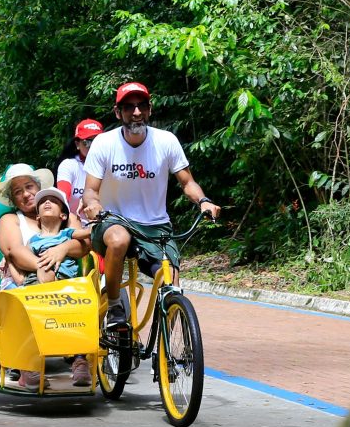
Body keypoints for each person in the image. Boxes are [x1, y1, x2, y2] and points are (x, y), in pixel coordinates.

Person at [81, 81, 221, 331]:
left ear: (149, 109)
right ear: (118, 112)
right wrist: (93, 206)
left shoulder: (166, 141)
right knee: (119, 239)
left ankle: (164, 353)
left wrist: (203, 201)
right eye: (129, 107)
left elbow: (187, 182)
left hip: (156, 227)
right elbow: (90, 191)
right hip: (113, 220)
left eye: (141, 106)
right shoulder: (104, 143)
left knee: (171, 284)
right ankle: (114, 306)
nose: (136, 112)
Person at [0, 165, 90, 388]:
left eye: (29, 187)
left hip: (64, 275)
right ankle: (28, 364)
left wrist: (62, 250)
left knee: (83, 296)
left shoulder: (61, 213)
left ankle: (80, 357)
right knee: (19, 298)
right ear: (13, 199)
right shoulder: (10, 220)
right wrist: (42, 266)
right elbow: (14, 251)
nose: (25, 194)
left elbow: (83, 245)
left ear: (38, 188)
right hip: (23, 277)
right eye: (18, 191)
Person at [24, 188, 91, 285]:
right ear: (38, 216)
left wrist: (93, 227)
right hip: (37, 280)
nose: (47, 202)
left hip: (64, 279)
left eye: (54, 201)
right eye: (42, 202)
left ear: (63, 215)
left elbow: (85, 234)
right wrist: (6, 259)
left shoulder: (66, 233)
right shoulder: (33, 240)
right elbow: (26, 255)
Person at [56, 119, 103, 221]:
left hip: (105, 222)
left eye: (97, 141)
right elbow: (62, 197)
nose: (93, 147)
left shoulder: (110, 165)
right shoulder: (69, 165)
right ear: (77, 144)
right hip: (74, 223)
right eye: (87, 142)